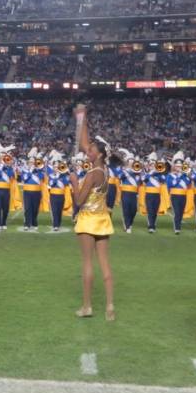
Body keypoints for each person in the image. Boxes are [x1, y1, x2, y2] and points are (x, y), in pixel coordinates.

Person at [69, 104, 116, 322]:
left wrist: (73, 183)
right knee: (105, 263)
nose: (86, 152)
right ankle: (109, 306)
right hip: (103, 219)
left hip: (88, 220)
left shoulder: (91, 174)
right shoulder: (104, 169)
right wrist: (82, 118)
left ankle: (87, 306)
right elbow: (84, 142)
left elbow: (79, 201)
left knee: (87, 263)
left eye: (90, 151)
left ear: (98, 154)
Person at [0, 143, 16, 231]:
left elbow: (11, 177)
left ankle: (4, 223)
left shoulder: (9, 168)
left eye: (4, 157)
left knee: (5, 208)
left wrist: (7, 167)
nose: (3, 159)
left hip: (6, 190)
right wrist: (1, 168)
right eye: (1, 157)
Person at [20, 148, 46, 232]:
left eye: (32, 162)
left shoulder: (39, 170)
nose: (31, 163)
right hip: (27, 191)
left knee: (35, 208)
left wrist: (37, 169)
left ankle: (34, 222)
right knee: (27, 208)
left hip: (37, 191)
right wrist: (30, 170)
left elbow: (41, 177)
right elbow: (25, 178)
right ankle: (27, 224)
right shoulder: (25, 170)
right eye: (30, 162)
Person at [166, 155, 190, 235]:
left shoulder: (184, 176)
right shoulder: (170, 176)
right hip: (175, 196)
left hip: (183, 195)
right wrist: (178, 176)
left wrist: (185, 174)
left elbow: (188, 183)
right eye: (177, 166)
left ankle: (178, 224)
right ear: (174, 167)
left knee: (181, 212)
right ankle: (177, 228)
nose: (179, 168)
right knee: (177, 212)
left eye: (180, 166)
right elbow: (172, 184)